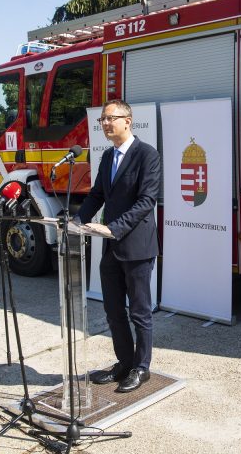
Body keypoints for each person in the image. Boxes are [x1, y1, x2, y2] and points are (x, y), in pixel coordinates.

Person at [76, 99, 161, 393]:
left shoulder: (147, 156)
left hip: (136, 246)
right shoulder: (107, 157)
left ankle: (141, 368)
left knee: (139, 311)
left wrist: (113, 228)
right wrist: (76, 220)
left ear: (128, 120)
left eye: (110, 118)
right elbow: (97, 194)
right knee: (113, 310)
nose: (105, 124)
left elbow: (146, 202)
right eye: (102, 119)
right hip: (111, 247)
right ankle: (124, 362)